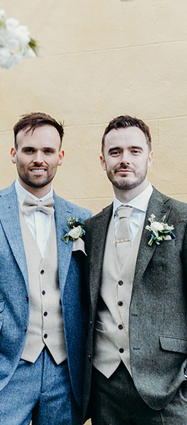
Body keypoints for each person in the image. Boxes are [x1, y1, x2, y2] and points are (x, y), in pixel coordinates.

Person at [0, 112, 92, 425]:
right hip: (2, 369)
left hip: (65, 375)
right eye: (29, 150)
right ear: (14, 154)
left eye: (47, 151)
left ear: (60, 157)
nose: (38, 159)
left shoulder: (82, 219)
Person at [82, 116, 187, 425]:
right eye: (115, 152)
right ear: (103, 161)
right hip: (105, 387)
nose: (124, 159)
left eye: (134, 151)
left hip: (168, 389)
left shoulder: (181, 219)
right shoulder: (92, 228)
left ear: (149, 157)